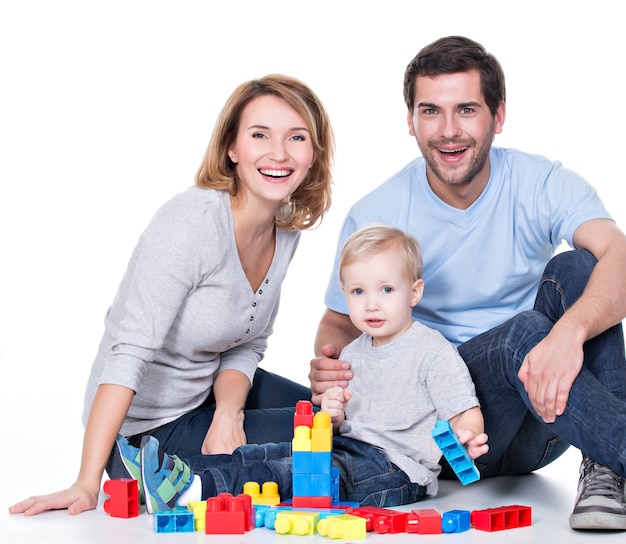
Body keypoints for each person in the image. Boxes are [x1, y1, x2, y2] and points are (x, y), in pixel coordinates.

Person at [310, 36, 626, 531]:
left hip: (549, 413)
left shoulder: (539, 182)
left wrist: (567, 335)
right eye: (431, 111)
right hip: (454, 428)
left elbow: (620, 255)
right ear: (410, 120)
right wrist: (337, 371)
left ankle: (607, 466)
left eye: (467, 110)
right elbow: (336, 321)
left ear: (498, 117)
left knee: (583, 269)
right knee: (522, 333)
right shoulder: (378, 212)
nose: (449, 131)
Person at [10, 74, 334, 516]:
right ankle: (170, 478)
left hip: (210, 393)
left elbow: (246, 342)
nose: (279, 153)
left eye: (296, 138)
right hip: (146, 434)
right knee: (330, 442)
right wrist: (87, 482)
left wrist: (228, 414)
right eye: (260, 135)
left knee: (333, 416)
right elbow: (127, 351)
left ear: (313, 153)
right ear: (232, 148)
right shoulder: (192, 223)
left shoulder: (284, 230)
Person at [96, 223, 487, 513]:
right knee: (268, 453)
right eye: (358, 292)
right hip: (347, 447)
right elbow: (342, 422)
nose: (371, 305)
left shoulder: (431, 351)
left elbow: (464, 410)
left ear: (413, 292)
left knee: (288, 475)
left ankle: (194, 490)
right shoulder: (354, 352)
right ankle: (170, 474)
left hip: (394, 470)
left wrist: (469, 433)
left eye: (387, 290)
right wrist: (333, 413)